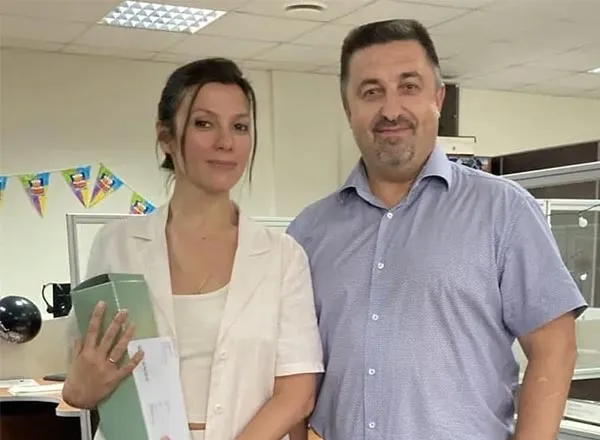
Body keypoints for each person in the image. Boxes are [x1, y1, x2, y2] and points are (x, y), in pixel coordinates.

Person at [286, 19, 587, 440]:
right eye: (371, 92)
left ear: (438, 98)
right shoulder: (308, 232)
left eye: (409, 87)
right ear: (347, 108)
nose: (391, 110)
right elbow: (292, 370)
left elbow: (554, 348)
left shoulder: (503, 210)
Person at [62, 57, 324, 440]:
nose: (225, 142)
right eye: (204, 123)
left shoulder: (283, 256)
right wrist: (81, 387)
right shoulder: (117, 244)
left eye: (240, 126)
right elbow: (80, 381)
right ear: (166, 137)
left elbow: (296, 392)